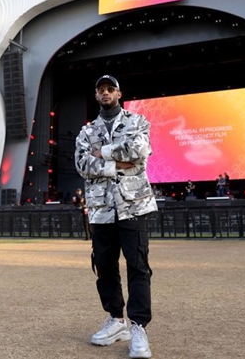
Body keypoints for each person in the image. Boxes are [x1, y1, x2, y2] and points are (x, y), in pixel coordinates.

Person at [75, 75, 156, 359]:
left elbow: (140, 150)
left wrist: (104, 152)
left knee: (138, 266)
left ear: (119, 93)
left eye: (110, 89)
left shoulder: (138, 122)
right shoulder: (87, 132)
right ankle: (116, 319)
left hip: (134, 205)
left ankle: (138, 327)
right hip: (101, 209)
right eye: (101, 90)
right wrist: (118, 164)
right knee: (105, 267)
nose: (106, 93)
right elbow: (82, 164)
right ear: (96, 96)